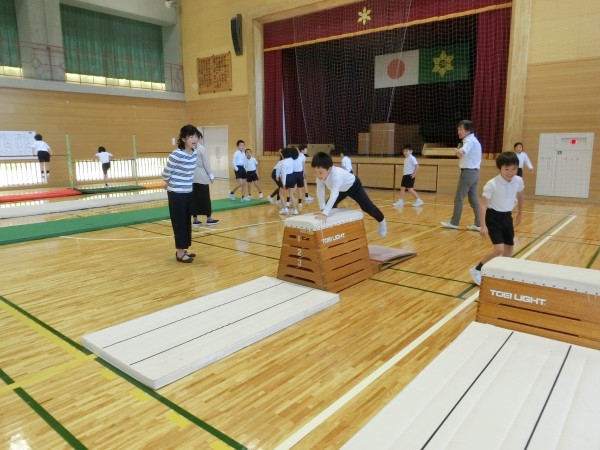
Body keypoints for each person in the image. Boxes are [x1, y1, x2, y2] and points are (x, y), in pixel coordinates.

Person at [469, 151, 524, 285]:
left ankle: (502, 272)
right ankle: (477, 269)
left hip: (507, 216)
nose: (510, 172)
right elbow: (483, 205)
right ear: (499, 168)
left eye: (513, 169)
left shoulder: (518, 181)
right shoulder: (492, 184)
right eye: (506, 169)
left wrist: (520, 213)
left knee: (509, 248)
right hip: (493, 217)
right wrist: (483, 225)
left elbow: (520, 196)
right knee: (499, 249)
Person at [311, 152, 387, 237]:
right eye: (315, 172)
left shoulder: (336, 175)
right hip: (341, 189)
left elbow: (334, 195)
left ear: (329, 169)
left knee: (367, 207)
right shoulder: (319, 178)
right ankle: (334, 230)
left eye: (320, 173)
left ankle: (382, 221)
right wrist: (322, 209)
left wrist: (325, 213)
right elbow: (320, 191)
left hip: (354, 187)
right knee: (328, 206)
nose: (317, 175)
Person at [162, 124, 199, 263]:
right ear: (184, 139)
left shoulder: (194, 153)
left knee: (186, 222)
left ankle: (184, 249)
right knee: (179, 223)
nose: (194, 139)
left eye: (196, 136)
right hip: (176, 193)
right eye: (191, 136)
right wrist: (170, 184)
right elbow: (166, 173)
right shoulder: (176, 154)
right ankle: (179, 253)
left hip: (188, 192)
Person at [440, 120, 482, 231]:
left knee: (459, 198)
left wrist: (458, 151)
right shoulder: (474, 140)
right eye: (458, 129)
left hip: (468, 173)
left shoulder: (469, 141)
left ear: (468, 130)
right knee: (473, 199)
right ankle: (479, 224)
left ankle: (454, 223)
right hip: (475, 173)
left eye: (461, 129)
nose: (458, 131)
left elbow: (463, 151)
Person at [191, 132, 219, 228]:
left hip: (191, 178)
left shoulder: (188, 148)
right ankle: (209, 219)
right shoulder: (201, 148)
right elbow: (206, 163)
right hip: (201, 177)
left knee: (193, 199)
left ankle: (195, 220)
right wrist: (211, 175)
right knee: (205, 199)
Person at [280, 147, 299, 215]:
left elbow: (283, 174)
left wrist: (283, 183)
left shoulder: (283, 163)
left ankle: (284, 209)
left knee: (281, 194)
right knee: (291, 194)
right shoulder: (292, 160)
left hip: (287, 178)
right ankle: (295, 210)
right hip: (292, 177)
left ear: (283, 155)